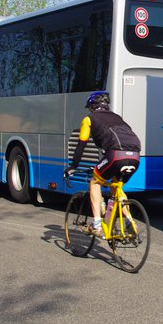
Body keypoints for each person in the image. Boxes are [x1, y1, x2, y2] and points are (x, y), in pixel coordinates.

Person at [64, 91, 141, 237]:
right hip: (136, 155)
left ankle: (97, 225)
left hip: (116, 155)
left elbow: (81, 145)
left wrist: (73, 166)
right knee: (116, 188)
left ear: (92, 107)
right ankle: (130, 222)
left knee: (95, 182)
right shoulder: (117, 118)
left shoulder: (89, 119)